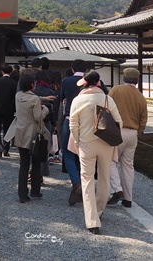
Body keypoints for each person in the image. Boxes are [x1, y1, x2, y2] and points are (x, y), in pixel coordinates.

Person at [69, 70, 122, 235]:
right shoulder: (107, 98)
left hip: (86, 143)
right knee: (105, 177)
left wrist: (78, 142)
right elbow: (119, 121)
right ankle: (99, 210)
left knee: (87, 180)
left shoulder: (77, 100)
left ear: (85, 83)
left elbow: (73, 125)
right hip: (106, 143)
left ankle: (92, 221)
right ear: (98, 82)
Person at [107, 67, 148, 208]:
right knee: (128, 166)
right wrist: (139, 131)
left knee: (111, 161)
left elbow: (106, 108)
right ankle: (128, 199)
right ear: (137, 80)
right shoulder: (140, 96)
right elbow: (143, 119)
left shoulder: (115, 90)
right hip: (132, 133)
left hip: (117, 131)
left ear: (124, 78)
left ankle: (117, 190)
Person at [14, 73, 48, 202]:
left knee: (23, 164)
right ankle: (35, 191)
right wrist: (45, 110)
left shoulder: (18, 96)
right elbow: (38, 117)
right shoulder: (35, 99)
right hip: (33, 134)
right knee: (36, 163)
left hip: (20, 132)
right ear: (31, 84)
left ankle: (22, 194)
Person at [59, 58, 88, 205]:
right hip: (88, 122)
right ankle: (83, 184)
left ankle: (76, 183)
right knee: (82, 153)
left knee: (67, 152)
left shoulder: (67, 81)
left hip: (70, 119)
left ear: (72, 68)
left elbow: (61, 98)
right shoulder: (90, 82)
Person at [0, 64, 17, 158]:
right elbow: (14, 98)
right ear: (11, 72)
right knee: (7, 130)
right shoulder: (14, 83)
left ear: (2, 72)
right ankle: (6, 149)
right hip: (9, 109)